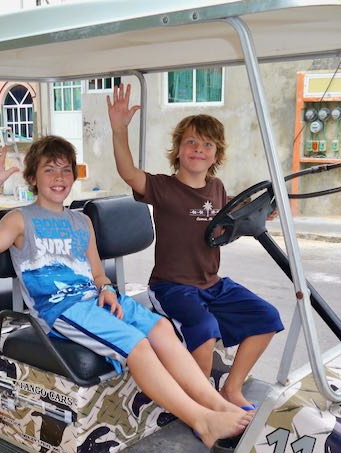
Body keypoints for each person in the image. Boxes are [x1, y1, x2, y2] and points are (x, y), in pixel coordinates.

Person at [0, 136, 252, 448]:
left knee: (161, 327)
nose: (59, 178)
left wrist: (105, 288)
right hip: (61, 309)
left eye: (66, 171)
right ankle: (203, 421)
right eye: (49, 170)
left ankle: (217, 403)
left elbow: (95, 271)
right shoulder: (20, 219)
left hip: (96, 299)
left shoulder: (81, 221)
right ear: (32, 178)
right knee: (138, 345)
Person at [107, 83, 284, 409]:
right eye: (190, 142)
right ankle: (203, 404)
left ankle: (231, 389)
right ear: (178, 150)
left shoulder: (216, 188)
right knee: (205, 328)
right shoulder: (162, 187)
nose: (198, 149)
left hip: (211, 285)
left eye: (207, 145)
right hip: (172, 287)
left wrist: (265, 211)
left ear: (216, 155)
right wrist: (119, 130)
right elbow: (129, 173)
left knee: (266, 317)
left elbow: (235, 214)